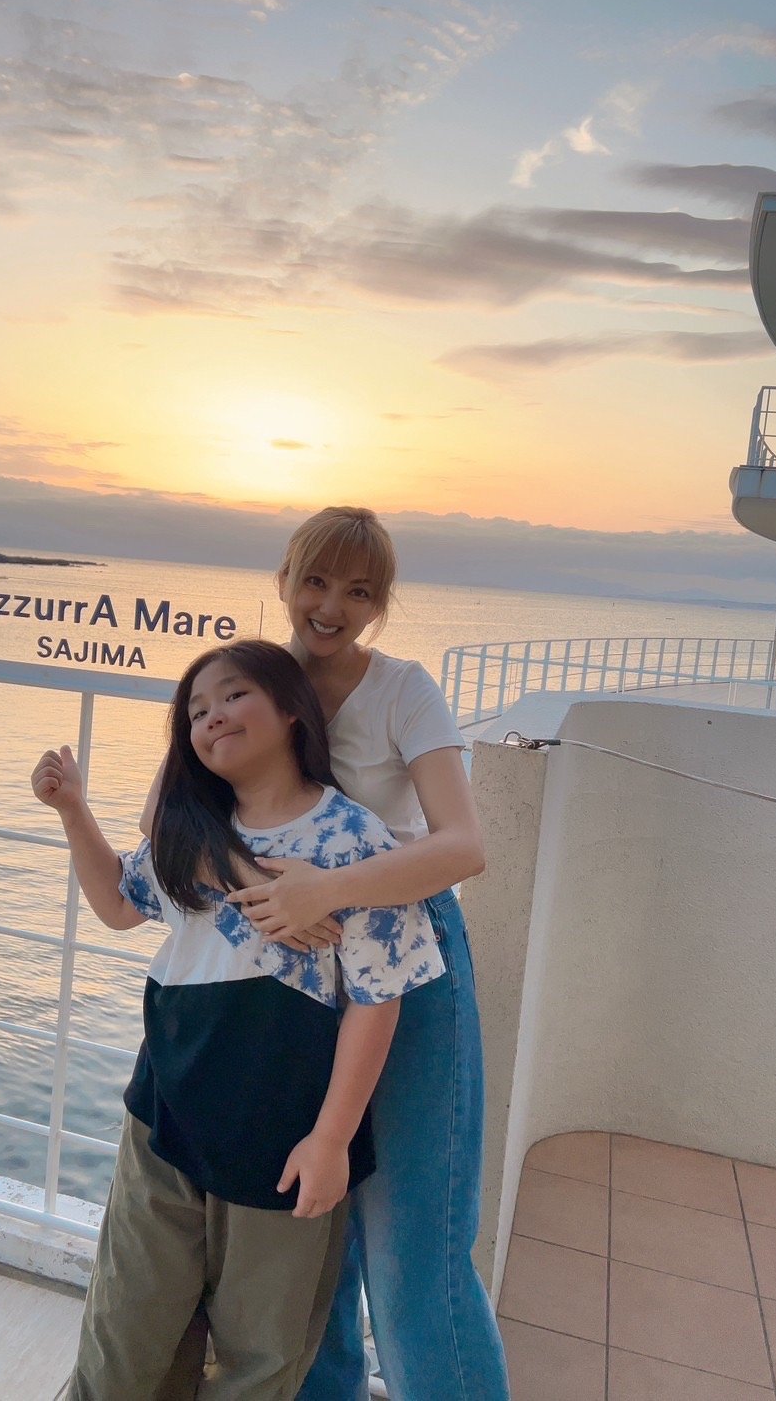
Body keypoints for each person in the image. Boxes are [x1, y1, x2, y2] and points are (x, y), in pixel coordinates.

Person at [32, 639, 447, 1401]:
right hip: (164, 1116)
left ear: (290, 709)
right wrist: (73, 809)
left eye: (232, 695)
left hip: (280, 1138)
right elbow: (119, 905)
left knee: (261, 1354)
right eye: (195, 710)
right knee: (127, 1330)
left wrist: (330, 1139)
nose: (213, 716)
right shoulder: (189, 831)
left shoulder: (353, 841)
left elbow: (377, 996)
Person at [225, 508, 511, 1401]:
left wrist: (328, 890)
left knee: (416, 1251)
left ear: (379, 603)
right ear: (283, 579)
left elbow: (462, 844)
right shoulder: (251, 684)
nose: (330, 606)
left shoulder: (402, 690)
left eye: (357, 591)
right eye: (315, 581)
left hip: (410, 963)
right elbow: (193, 816)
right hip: (295, 976)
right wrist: (261, 884)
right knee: (314, 1236)